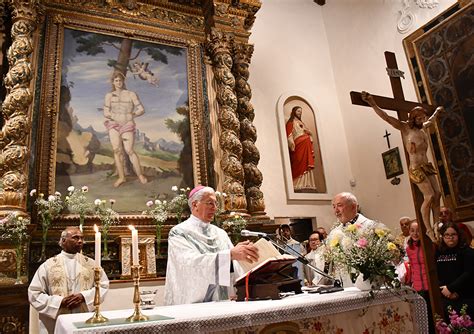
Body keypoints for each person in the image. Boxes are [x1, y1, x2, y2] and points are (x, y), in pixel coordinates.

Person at [362, 91, 444, 242]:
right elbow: (386, 117)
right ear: (413, 118)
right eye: (419, 118)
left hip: (426, 165)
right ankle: (428, 229)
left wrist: (437, 112)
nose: (422, 120)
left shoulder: (422, 127)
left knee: (438, 194)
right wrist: (373, 103)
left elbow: (431, 122)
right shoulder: (405, 128)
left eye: (423, 118)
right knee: (429, 196)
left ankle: (437, 223)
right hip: (416, 167)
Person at [164, 186, 259, 305]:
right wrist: (229, 254)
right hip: (194, 304)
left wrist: (243, 255)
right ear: (194, 205)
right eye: (209, 203)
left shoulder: (220, 233)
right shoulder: (179, 232)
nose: (214, 208)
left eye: (215, 203)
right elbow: (188, 263)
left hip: (225, 301)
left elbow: (234, 265)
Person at [28, 227, 109, 334]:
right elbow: (34, 293)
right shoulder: (48, 265)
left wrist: (83, 297)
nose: (80, 241)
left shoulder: (91, 264)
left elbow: (103, 286)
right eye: (75, 238)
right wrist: (59, 302)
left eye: (81, 238)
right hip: (56, 320)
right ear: (63, 241)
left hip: (83, 317)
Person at [103, 72, 148, 187]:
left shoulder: (131, 94)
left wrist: (132, 115)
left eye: (120, 80)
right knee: (117, 150)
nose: (118, 82)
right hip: (113, 124)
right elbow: (105, 112)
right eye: (116, 80)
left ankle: (140, 175)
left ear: (123, 81)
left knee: (129, 150)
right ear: (113, 82)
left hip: (127, 123)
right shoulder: (109, 95)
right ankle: (121, 177)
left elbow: (141, 109)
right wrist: (113, 116)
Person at [327, 192, 376, 287]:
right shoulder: (334, 233)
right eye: (334, 207)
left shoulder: (371, 227)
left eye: (339, 205)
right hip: (344, 286)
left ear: (353, 207)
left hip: (367, 285)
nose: (336, 211)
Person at [436, 222, 474, 320]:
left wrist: (451, 289)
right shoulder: (438, 252)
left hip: (464, 296)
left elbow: (468, 273)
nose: (450, 237)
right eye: (447, 235)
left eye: (453, 234)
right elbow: (436, 274)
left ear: (458, 235)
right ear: (443, 236)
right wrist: (444, 290)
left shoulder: (467, 251)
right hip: (445, 297)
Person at [405, 221, 435, 333]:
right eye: (412, 231)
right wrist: (411, 282)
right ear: (409, 232)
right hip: (417, 286)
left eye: (418, 231)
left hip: (429, 285)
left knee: (432, 314)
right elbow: (412, 266)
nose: (415, 233)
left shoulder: (428, 245)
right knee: (422, 315)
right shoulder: (409, 248)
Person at [285, 106, 317, 191]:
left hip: (306, 145)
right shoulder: (290, 123)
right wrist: (291, 144)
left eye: (300, 112)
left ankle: (307, 184)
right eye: (298, 111)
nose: (299, 113)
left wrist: (309, 133)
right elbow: (289, 134)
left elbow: (307, 131)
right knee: (299, 161)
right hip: (298, 145)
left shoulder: (301, 122)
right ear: (294, 111)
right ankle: (297, 184)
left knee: (307, 163)